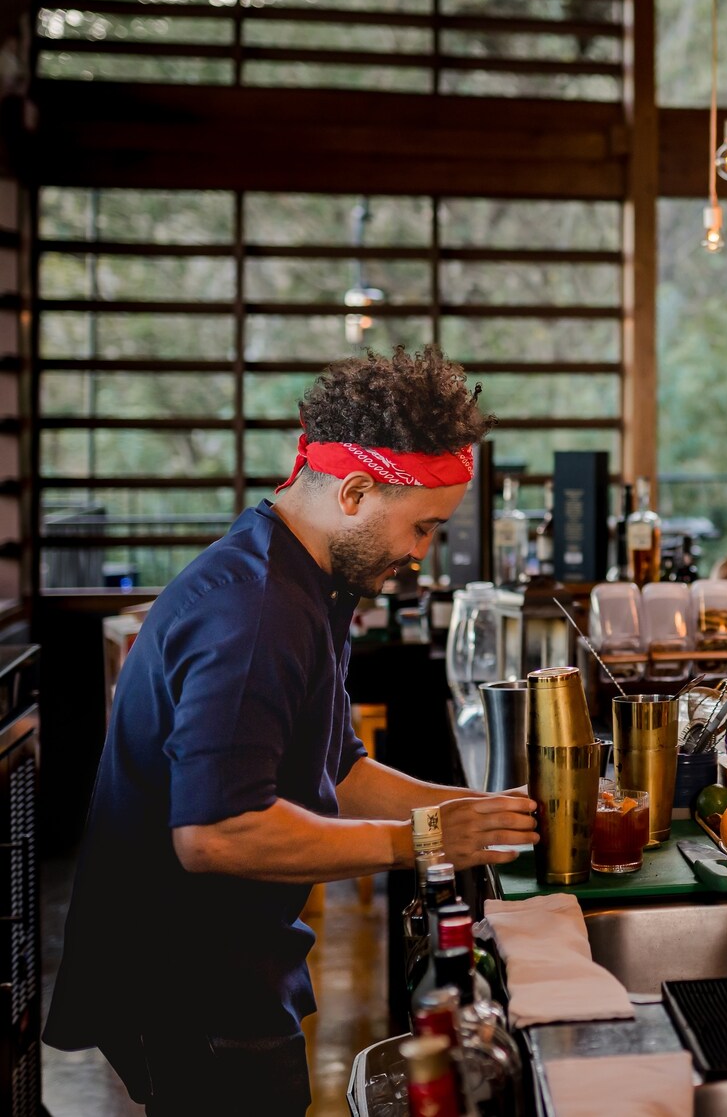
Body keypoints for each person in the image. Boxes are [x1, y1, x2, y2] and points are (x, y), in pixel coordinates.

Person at [45, 347, 541, 1117]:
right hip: (187, 982)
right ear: (354, 490)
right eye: (422, 527)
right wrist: (426, 838)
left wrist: (484, 810)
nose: (420, 554)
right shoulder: (256, 610)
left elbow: (338, 772)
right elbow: (215, 833)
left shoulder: (308, 580)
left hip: (238, 959)